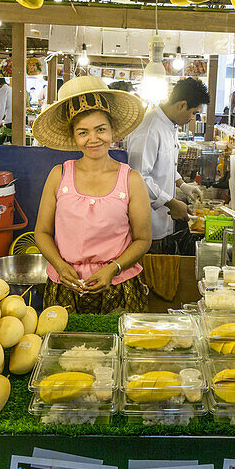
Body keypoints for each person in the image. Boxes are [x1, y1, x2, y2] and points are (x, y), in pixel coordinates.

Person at [33, 76, 152, 313]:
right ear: (73, 137)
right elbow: (42, 232)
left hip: (119, 288)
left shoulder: (131, 180)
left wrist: (113, 268)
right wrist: (59, 265)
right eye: (83, 132)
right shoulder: (59, 175)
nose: (93, 139)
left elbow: (143, 240)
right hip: (65, 287)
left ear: (112, 131)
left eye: (101, 129)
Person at [125, 77, 211, 255]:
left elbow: (164, 163)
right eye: (193, 112)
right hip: (147, 223)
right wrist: (171, 203)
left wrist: (182, 184)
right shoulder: (149, 128)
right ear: (181, 105)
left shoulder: (170, 125)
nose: (192, 118)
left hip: (163, 220)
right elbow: (138, 178)